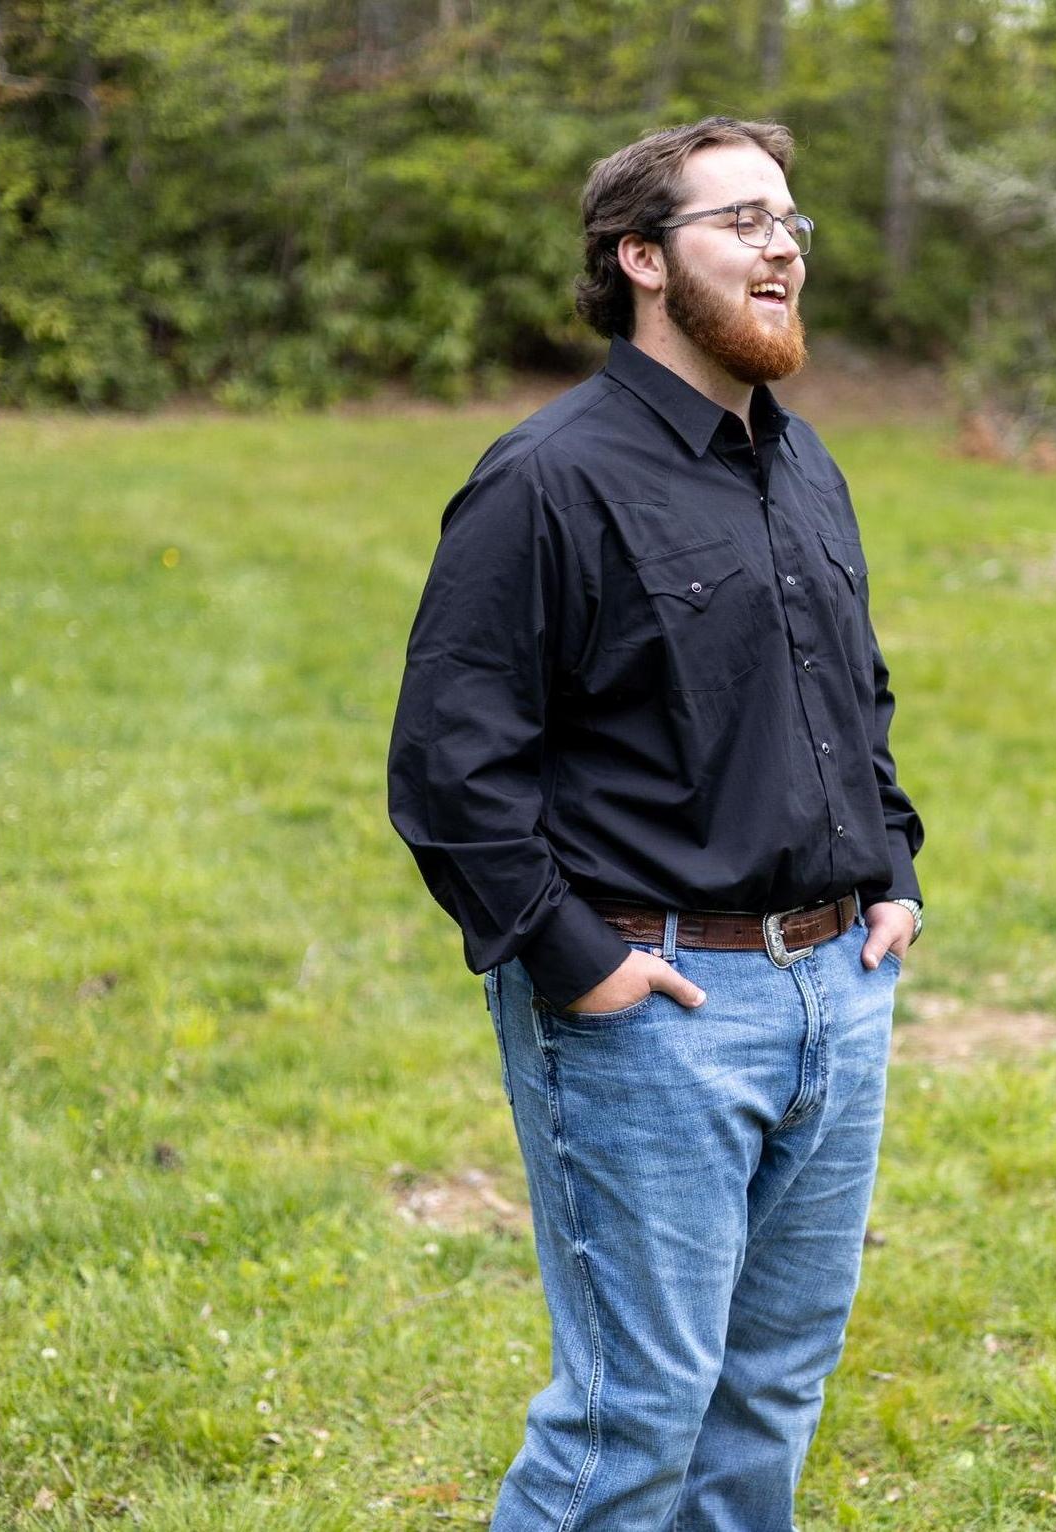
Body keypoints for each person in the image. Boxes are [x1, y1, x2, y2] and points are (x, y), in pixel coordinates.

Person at [387, 115, 925, 1532]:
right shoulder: (546, 479)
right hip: (658, 1009)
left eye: (791, 220)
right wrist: (580, 962)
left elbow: (851, 694)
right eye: (742, 220)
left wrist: (892, 868)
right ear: (640, 258)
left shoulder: (802, 463)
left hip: (838, 989)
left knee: (770, 1395)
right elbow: (451, 763)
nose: (782, 246)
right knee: (635, 1419)